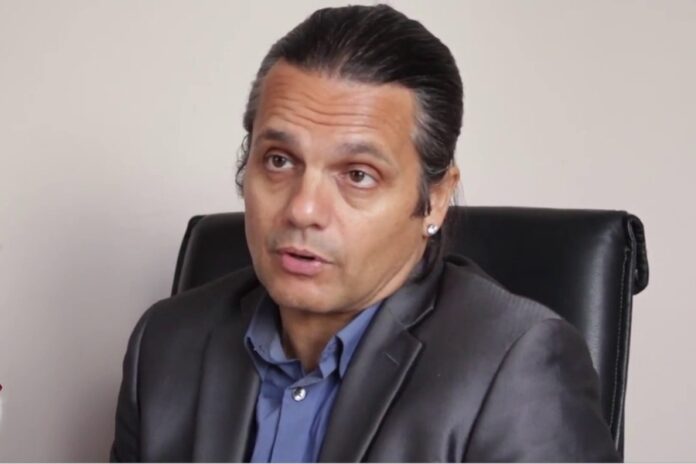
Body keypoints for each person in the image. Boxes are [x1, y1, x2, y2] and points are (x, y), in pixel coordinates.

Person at [111, 4, 618, 462]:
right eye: (280, 161)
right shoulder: (166, 343)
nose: (303, 209)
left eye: (358, 175)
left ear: (436, 198)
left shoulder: (517, 370)